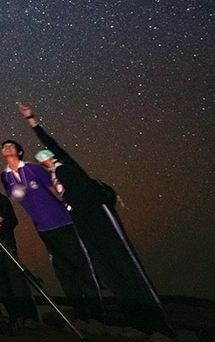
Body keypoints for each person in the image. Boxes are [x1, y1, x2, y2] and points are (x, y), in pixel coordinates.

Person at [17, 103, 174, 337]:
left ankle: (161, 327)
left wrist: (32, 121)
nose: (43, 158)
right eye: (40, 159)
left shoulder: (66, 165)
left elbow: (53, 144)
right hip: (81, 219)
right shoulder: (53, 178)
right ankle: (138, 324)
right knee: (109, 272)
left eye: (45, 156)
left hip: (97, 213)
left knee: (126, 265)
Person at [0, 138, 104, 323]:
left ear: (20, 152)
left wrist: (72, 208)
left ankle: (97, 317)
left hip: (63, 222)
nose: (6, 148)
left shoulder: (33, 168)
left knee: (81, 267)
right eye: (4, 147)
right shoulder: (5, 176)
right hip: (44, 229)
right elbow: (17, 196)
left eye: (11, 146)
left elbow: (55, 188)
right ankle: (81, 316)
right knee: (63, 272)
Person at [0, 174, 40, 328]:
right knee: (2, 286)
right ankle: (15, 316)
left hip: (7, 247)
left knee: (17, 282)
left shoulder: (2, 201)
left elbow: (14, 221)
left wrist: (1, 221)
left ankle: (30, 317)